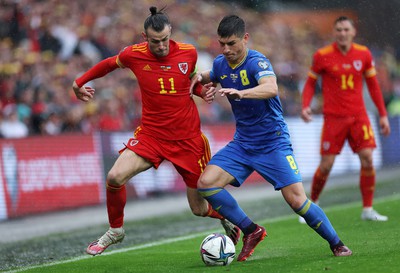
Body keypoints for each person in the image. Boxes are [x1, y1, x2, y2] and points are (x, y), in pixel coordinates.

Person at [72, 6, 240, 256]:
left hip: (188, 141)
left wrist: (202, 91)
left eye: (164, 40)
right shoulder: (134, 55)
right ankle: (115, 230)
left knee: (199, 208)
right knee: (114, 177)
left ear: (170, 32)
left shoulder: (188, 52)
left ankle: (229, 218)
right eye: (154, 41)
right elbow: (108, 64)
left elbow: (190, 83)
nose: (161, 46)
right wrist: (79, 82)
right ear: (144, 37)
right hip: (151, 136)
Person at [191, 15, 352, 262]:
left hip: (272, 142)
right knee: (206, 184)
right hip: (243, 143)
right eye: (222, 44)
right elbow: (205, 76)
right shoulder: (221, 64)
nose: (226, 49)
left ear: (245, 39)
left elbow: (271, 88)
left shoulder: (257, 61)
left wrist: (242, 93)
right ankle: (251, 230)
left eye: (231, 43)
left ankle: (337, 243)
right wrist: (199, 84)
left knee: (297, 201)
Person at [300, 16, 391, 223]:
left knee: (367, 158)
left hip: (359, 116)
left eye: (346, 29)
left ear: (353, 32)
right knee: (326, 165)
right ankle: (312, 205)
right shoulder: (322, 55)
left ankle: (368, 209)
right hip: (334, 118)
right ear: (334, 32)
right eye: (338, 30)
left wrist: (383, 114)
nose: (342, 33)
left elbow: (374, 86)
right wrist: (305, 105)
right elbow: (310, 84)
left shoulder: (364, 54)